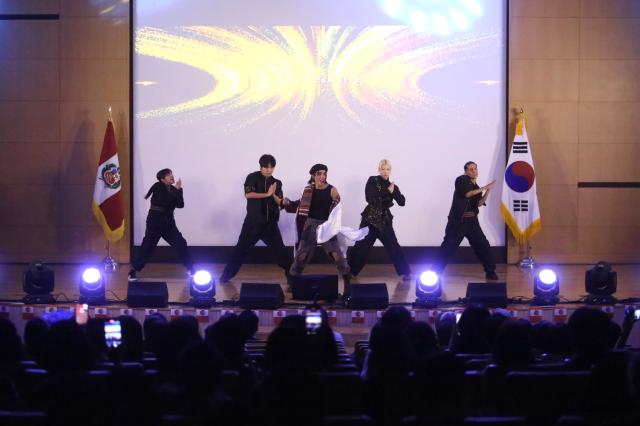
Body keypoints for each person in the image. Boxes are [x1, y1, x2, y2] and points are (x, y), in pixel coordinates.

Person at [219, 154, 291, 283]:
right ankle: (225, 277)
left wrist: (276, 196)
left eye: (271, 167)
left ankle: (293, 280)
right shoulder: (252, 177)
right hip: (252, 224)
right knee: (240, 250)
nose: (269, 170)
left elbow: (279, 201)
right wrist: (267, 194)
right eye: (266, 167)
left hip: (270, 224)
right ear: (261, 166)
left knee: (282, 253)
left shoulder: (277, 182)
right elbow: (248, 195)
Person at [284, 164, 352, 292]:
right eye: (319, 173)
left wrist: (333, 225)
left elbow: (337, 208)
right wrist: (288, 203)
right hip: (310, 225)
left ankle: (347, 279)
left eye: (324, 173)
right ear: (313, 175)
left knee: (336, 254)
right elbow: (301, 205)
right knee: (302, 255)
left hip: (326, 226)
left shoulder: (332, 190)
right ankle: (293, 281)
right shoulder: (308, 189)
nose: (322, 176)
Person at [431, 161, 498, 280]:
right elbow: (468, 194)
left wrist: (488, 191)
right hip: (458, 222)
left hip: (472, 222)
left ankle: (490, 271)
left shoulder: (476, 187)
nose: (474, 171)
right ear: (466, 171)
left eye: (475, 169)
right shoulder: (461, 180)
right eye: (471, 169)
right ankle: (434, 272)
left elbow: (479, 203)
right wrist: (485, 187)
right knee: (448, 246)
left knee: (483, 245)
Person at [348, 159, 411, 280]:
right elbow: (370, 198)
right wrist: (387, 191)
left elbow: (402, 202)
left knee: (393, 246)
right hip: (370, 219)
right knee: (362, 245)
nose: (385, 172)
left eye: (388, 169)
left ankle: (405, 272)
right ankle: (350, 271)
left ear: (390, 170)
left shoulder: (392, 186)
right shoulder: (372, 180)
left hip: (384, 220)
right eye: (383, 169)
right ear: (379, 169)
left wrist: (394, 192)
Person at [128, 168, 193, 281]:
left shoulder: (173, 189)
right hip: (155, 222)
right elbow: (165, 201)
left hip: (168, 223)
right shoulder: (158, 187)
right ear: (162, 178)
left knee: (181, 242)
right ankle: (133, 271)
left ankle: (191, 268)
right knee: (147, 246)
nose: (172, 176)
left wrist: (179, 190)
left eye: (172, 174)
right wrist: (176, 191)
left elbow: (180, 205)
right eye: (168, 175)